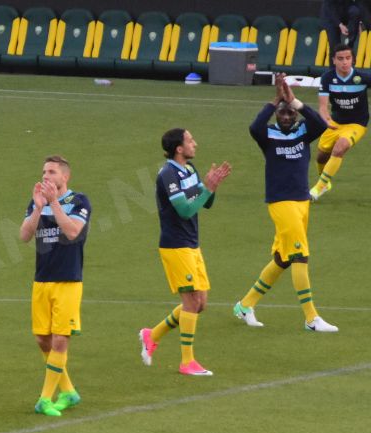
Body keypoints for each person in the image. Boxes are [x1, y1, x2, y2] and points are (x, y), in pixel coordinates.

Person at [234, 74, 339, 332]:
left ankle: (245, 305)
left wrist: (296, 101)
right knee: (300, 256)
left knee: (282, 258)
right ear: (276, 115)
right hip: (281, 202)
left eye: (290, 113)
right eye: (282, 113)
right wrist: (275, 100)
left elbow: (320, 124)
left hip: (302, 201)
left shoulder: (303, 132)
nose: (286, 117)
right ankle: (311, 318)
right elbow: (253, 127)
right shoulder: (267, 135)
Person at [139, 130, 231, 376]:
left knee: (200, 304)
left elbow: (205, 203)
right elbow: (185, 211)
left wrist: (212, 187)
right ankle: (187, 362)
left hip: (192, 244)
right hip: (175, 245)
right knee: (190, 303)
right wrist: (206, 189)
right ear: (178, 148)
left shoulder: (189, 170)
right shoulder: (168, 174)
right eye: (190, 140)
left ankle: (152, 335)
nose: (195, 144)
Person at [19, 155, 91, 417]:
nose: (45, 176)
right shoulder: (37, 203)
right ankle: (69, 392)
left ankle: (45, 399)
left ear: (65, 176)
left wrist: (54, 203)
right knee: (43, 339)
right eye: (43, 171)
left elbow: (73, 232)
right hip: (42, 280)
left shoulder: (79, 201)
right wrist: (38, 208)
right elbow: (25, 236)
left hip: (68, 280)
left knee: (60, 340)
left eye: (51, 172)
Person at [310, 43, 371, 200]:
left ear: (353, 60)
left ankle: (318, 188)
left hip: (357, 124)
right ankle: (326, 182)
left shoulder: (362, 78)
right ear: (334, 60)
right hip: (335, 122)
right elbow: (323, 107)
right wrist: (326, 120)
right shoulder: (327, 78)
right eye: (340, 58)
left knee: (340, 148)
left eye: (348, 58)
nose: (345, 62)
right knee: (321, 157)